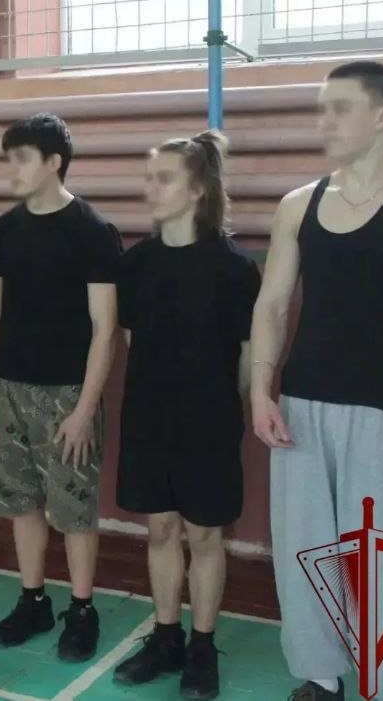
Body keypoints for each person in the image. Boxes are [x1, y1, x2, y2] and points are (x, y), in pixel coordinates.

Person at [251, 61, 383, 701]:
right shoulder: (297, 205)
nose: (324, 121)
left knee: (381, 561)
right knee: (305, 552)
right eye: (321, 108)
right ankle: (321, 675)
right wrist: (260, 391)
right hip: (301, 409)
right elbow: (272, 306)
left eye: (340, 108)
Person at [111, 131, 260, 700]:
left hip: (209, 422)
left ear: (198, 190)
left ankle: (202, 646)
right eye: (149, 177)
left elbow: (246, 358)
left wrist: (213, 406)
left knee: (204, 534)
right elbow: (133, 339)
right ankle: (166, 635)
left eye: (164, 178)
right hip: (151, 418)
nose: (151, 188)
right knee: (161, 528)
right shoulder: (136, 265)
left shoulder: (234, 269)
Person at [0, 112, 122, 663]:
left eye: (22, 158)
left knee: (74, 508)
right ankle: (32, 599)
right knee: (22, 502)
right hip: (7, 387)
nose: (11, 169)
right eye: (8, 158)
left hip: (66, 394)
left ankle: (81, 609)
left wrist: (84, 408)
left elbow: (105, 328)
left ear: (54, 162)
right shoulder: (4, 231)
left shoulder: (92, 231)